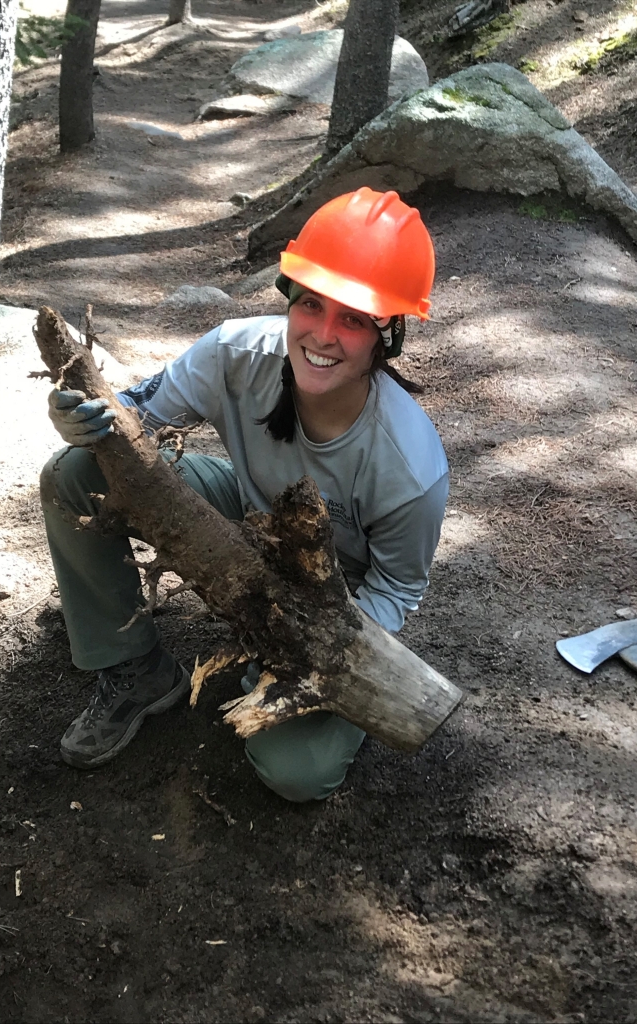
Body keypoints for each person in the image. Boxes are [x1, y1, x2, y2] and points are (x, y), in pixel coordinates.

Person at [40, 187, 448, 802]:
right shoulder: (234, 354)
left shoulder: (409, 468)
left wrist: (310, 645)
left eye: (354, 318)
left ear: (386, 335)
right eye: (311, 305)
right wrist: (85, 417)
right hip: (252, 512)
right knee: (76, 473)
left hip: (342, 592)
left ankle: (307, 693)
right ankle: (134, 669)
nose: (324, 334)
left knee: (297, 772)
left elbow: (396, 588)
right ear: (289, 299)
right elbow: (133, 419)